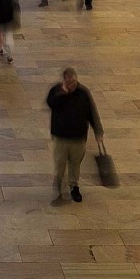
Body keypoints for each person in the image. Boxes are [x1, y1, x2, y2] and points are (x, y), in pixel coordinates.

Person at [45, 67, 102, 204]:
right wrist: (63, 93)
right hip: (61, 137)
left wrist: (98, 131)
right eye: (69, 83)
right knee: (60, 165)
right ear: (64, 81)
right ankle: (59, 187)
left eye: (74, 82)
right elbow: (51, 103)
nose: (72, 85)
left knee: (75, 164)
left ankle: (74, 187)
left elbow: (92, 112)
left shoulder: (83, 93)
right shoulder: (56, 91)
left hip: (78, 137)